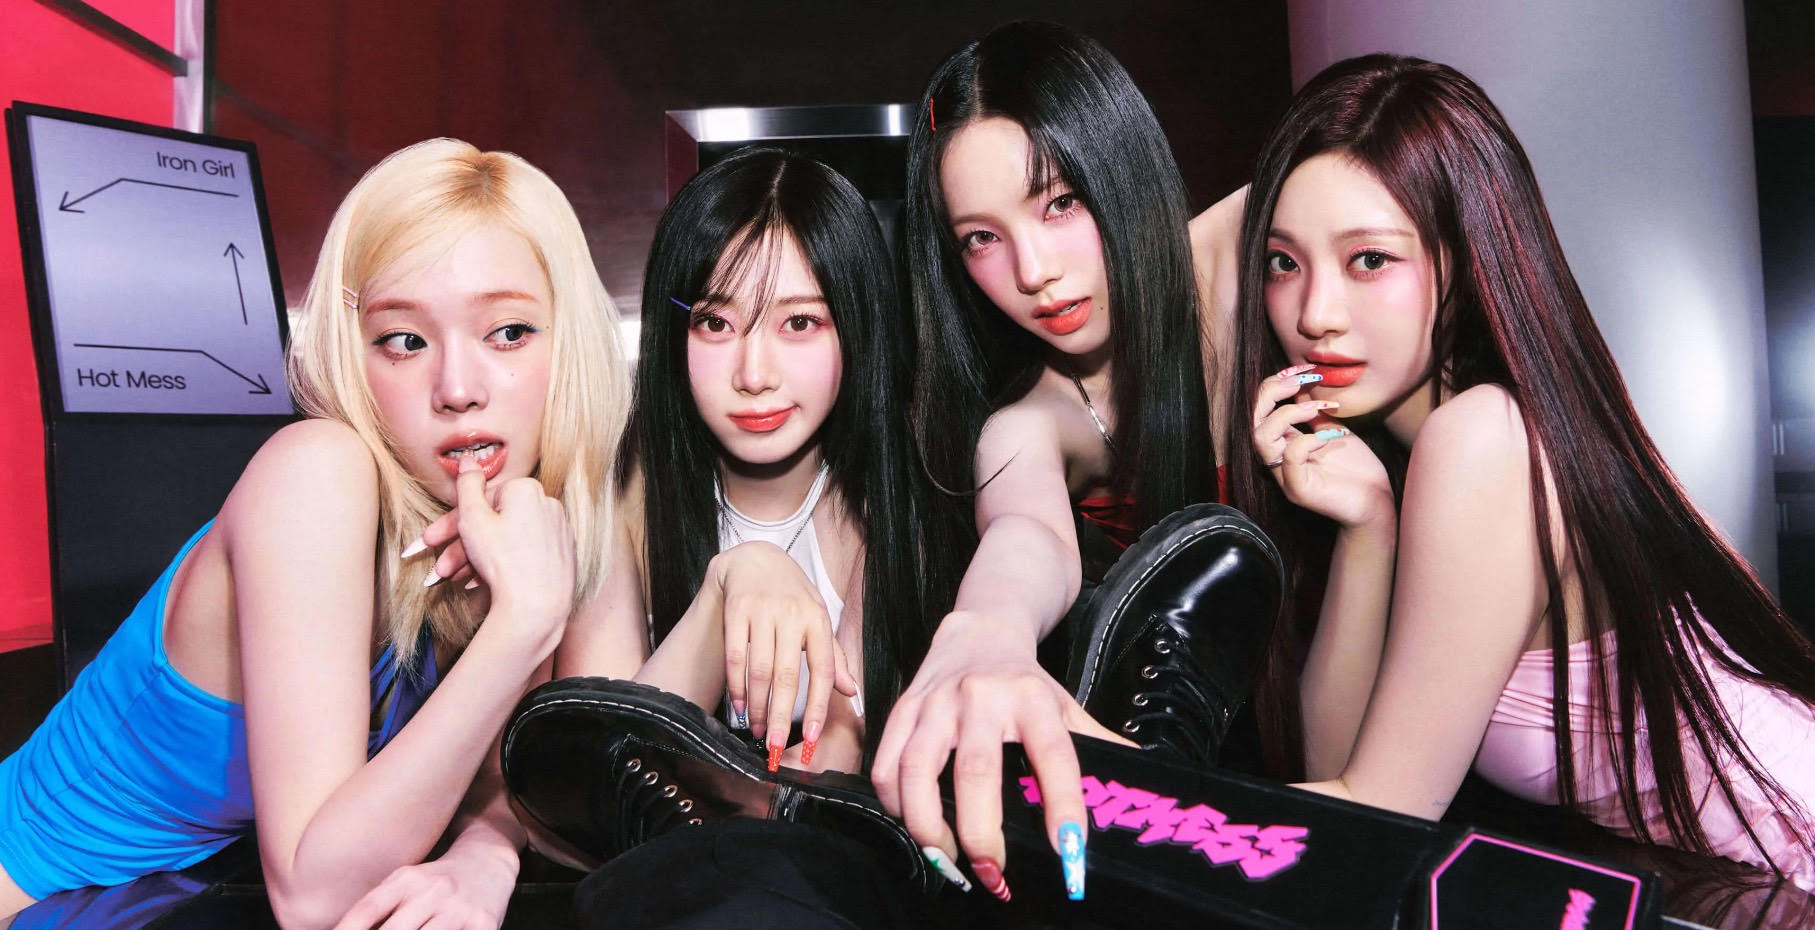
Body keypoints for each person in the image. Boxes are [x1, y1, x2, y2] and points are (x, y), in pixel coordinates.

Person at [0, 138, 634, 927]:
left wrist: (486, 851)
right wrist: (522, 625)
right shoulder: (317, 473)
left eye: (508, 332)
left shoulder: (559, 508)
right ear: (352, 355)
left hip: (182, 901)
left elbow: (593, 775)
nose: (458, 389)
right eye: (404, 340)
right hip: (36, 898)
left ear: (569, 339)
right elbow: (313, 899)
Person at [1231, 54, 1815, 890]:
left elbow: (1372, 820)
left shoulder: (1483, 439)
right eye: (1283, 262)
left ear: (1465, 260)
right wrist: (1367, 527)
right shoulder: (1474, 439)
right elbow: (1336, 773)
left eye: (1369, 260)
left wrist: (1120, 788)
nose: (1313, 314)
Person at [872, 20, 1281, 905]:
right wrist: (986, 629)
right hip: (1189, 770)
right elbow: (1025, 530)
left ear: (1117, 164)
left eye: (1058, 203)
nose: (1032, 272)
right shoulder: (1031, 420)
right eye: (980, 238)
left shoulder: (1262, 248)